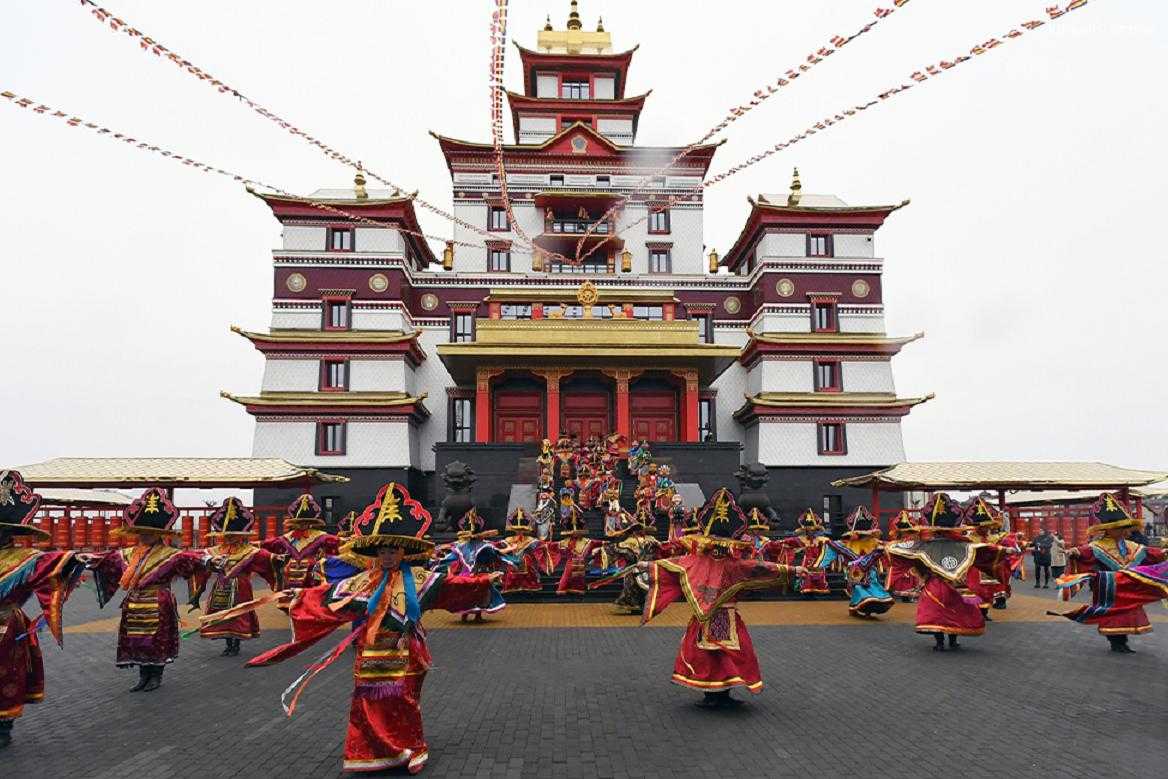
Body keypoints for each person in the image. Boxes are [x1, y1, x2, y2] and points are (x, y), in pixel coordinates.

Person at [248, 481, 501, 774]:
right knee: (366, 702)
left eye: (393, 551)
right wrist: (300, 595)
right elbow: (329, 595)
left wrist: (483, 581)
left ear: (403, 552)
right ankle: (370, 751)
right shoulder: (362, 581)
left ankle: (411, 747)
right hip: (370, 653)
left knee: (405, 701)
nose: (387, 556)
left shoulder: (420, 579)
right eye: (383, 551)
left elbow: (451, 585)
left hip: (407, 651)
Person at [641, 488, 804, 708]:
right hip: (709, 615)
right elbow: (673, 564)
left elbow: (759, 568)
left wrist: (792, 570)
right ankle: (712, 695)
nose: (719, 549)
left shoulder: (731, 565)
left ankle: (722, 694)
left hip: (723, 615)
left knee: (728, 655)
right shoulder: (701, 561)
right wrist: (647, 564)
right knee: (708, 655)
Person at [87, 488, 219, 691]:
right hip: (134, 603)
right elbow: (106, 559)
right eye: (142, 532)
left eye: (150, 532)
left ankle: (156, 675)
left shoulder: (170, 554)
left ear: (159, 534)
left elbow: (192, 558)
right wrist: (82, 560)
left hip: (158, 602)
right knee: (137, 639)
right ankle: (143, 676)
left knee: (156, 639)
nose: (145, 535)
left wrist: (209, 561)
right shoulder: (129, 553)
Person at [0, 471, 87, 750]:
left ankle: (4, 726)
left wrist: (74, 559)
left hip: (5, 625)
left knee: (6, 675)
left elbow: (53, 563)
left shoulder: (25, 558)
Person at [886, 493, 1015, 652]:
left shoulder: (927, 545)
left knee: (937, 613)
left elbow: (899, 549)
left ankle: (940, 643)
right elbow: (983, 549)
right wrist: (1004, 550)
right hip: (955, 585)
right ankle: (951, 641)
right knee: (954, 613)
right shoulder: (960, 544)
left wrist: (1003, 549)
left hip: (936, 585)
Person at [1054, 493, 1166, 653]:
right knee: (1113, 614)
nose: (1125, 531)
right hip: (1109, 588)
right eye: (1121, 528)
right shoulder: (1098, 546)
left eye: (1125, 528)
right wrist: (1075, 552)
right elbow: (1085, 552)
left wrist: (1163, 553)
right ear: (1109, 529)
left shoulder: (1131, 545)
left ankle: (1122, 641)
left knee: (1128, 612)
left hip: (1128, 588)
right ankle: (1117, 642)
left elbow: (1149, 553)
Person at [190, 498, 283, 657]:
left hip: (241, 587)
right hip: (221, 586)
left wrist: (276, 559)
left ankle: (236, 643)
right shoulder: (215, 551)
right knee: (224, 614)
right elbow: (197, 559)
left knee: (239, 613)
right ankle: (228, 643)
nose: (230, 537)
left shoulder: (250, 551)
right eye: (227, 535)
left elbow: (267, 558)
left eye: (234, 535)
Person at [433, 508, 511, 622]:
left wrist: (439, 560)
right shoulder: (464, 546)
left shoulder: (474, 546)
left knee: (475, 594)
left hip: (472, 574)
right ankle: (469, 615)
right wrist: (439, 560)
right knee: (471, 594)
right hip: (473, 574)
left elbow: (493, 554)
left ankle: (473, 615)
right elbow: (495, 553)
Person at [260, 493, 339, 589]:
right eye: (299, 522)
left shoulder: (321, 536)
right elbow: (268, 545)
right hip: (289, 577)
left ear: (311, 523)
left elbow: (336, 543)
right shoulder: (287, 537)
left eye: (305, 522)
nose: (302, 524)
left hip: (311, 577)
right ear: (295, 523)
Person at [839, 506, 894, 618]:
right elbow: (846, 556)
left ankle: (868, 609)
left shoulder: (874, 542)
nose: (865, 536)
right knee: (858, 588)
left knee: (872, 587)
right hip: (856, 571)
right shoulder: (850, 543)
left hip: (870, 570)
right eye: (863, 534)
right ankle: (855, 608)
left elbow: (885, 548)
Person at [499, 507, 543, 594]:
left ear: (524, 530)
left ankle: (528, 586)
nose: (519, 532)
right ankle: (512, 586)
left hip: (525, 559)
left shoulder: (529, 539)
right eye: (517, 530)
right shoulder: (509, 539)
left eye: (521, 530)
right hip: (513, 559)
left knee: (527, 562)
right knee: (511, 566)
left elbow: (538, 546)